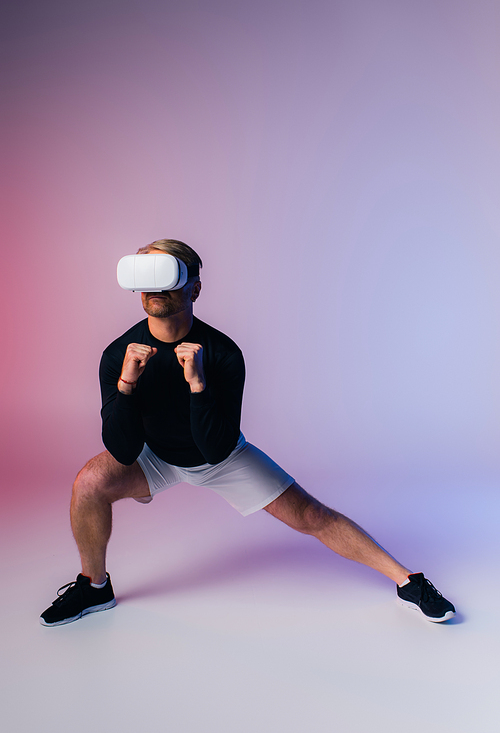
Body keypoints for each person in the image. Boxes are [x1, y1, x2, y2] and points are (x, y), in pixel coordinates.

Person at [40, 239, 455, 627]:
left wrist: (198, 386)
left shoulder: (222, 353)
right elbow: (122, 448)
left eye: (165, 274)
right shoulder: (119, 354)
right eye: (145, 275)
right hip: (153, 457)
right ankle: (95, 587)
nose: (154, 287)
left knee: (312, 515)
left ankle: (408, 581)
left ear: (194, 288)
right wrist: (126, 386)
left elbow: (216, 447)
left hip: (221, 457)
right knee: (89, 482)